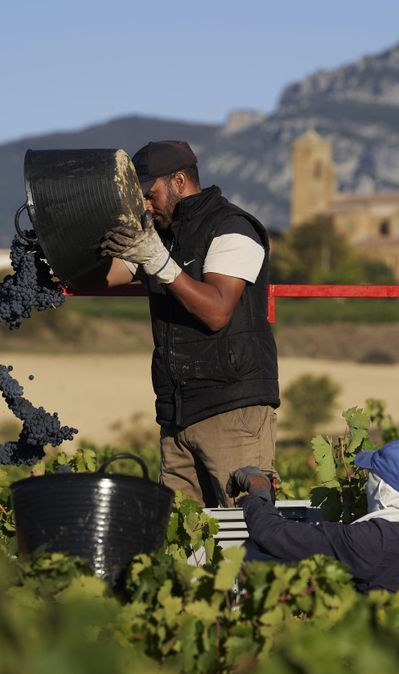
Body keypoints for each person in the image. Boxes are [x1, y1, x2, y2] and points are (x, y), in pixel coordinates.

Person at [99, 140, 278, 508]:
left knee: (243, 536)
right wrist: (63, 250)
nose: (146, 206)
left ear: (179, 181)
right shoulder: (158, 234)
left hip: (232, 410)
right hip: (176, 415)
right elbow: (108, 275)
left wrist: (158, 261)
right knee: (182, 541)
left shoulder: (233, 228)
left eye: (150, 195)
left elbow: (216, 311)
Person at [228, 438, 399, 616]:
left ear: (383, 488)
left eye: (371, 475)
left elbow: (272, 533)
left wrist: (258, 489)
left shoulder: (373, 540)